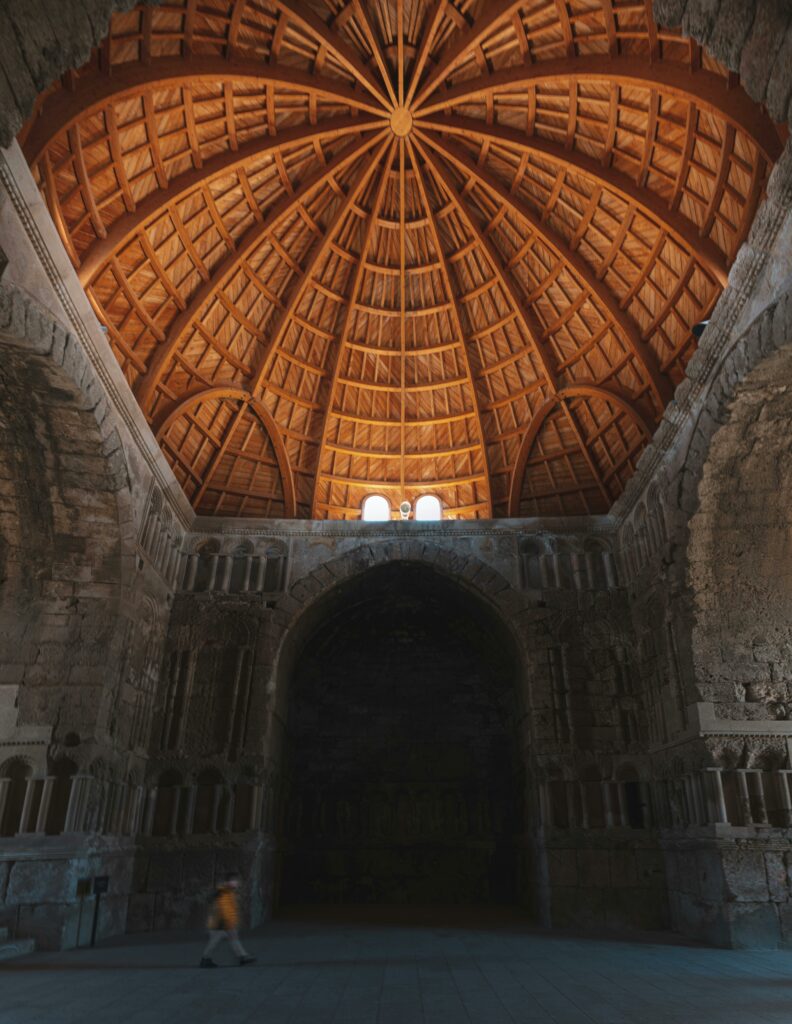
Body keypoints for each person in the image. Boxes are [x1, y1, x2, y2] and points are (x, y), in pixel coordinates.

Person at [199, 873, 256, 967]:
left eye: (237, 881)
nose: (237, 883)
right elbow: (224, 910)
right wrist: (230, 923)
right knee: (215, 942)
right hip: (220, 923)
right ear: (228, 882)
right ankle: (205, 959)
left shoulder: (228, 892)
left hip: (224, 923)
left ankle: (243, 957)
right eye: (234, 881)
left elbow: (230, 909)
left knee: (233, 940)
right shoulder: (223, 892)